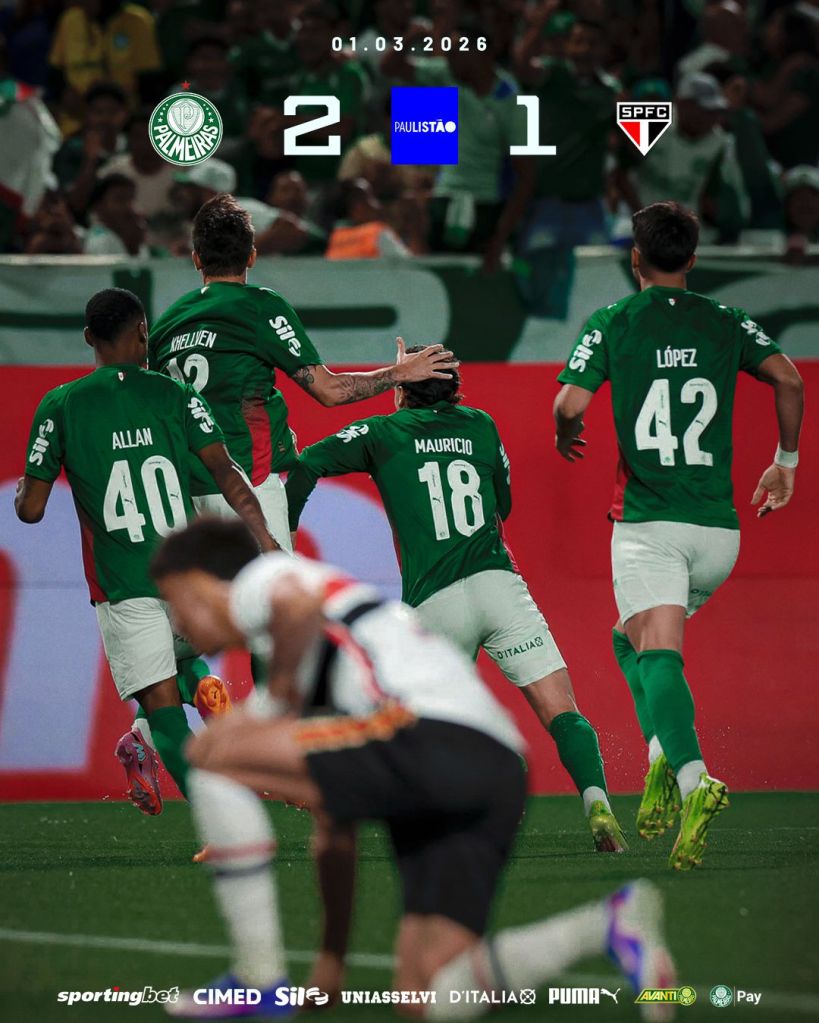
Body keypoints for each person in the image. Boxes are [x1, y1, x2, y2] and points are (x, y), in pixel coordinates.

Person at [150, 518, 676, 1018]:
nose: (176, 623)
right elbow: (334, 830)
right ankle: (606, 926)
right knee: (425, 995)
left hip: (426, 736)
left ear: (203, 581)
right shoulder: (327, 654)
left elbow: (294, 604)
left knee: (211, 752)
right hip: (494, 766)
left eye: (175, 602)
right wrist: (331, 963)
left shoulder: (261, 578)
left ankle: (256, 979)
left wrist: (269, 708)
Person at [285, 346, 626, 852]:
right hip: (498, 586)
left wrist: (286, 533)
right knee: (563, 712)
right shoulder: (481, 425)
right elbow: (503, 504)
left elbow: (306, 464)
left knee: (427, 724)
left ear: (402, 387)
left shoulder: (382, 433)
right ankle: (597, 803)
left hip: (435, 599)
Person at [553, 201, 804, 870]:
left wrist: (564, 432)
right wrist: (785, 462)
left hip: (649, 526)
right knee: (626, 638)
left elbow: (569, 403)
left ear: (634, 258)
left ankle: (693, 778)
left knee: (658, 651)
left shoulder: (613, 320)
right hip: (719, 532)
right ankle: (662, 754)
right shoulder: (725, 319)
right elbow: (788, 378)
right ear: (692, 258)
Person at [14, 288, 278, 817]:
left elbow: (31, 510)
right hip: (184, 574)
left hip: (121, 582)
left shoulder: (60, 405)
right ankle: (200, 690)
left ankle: (223, 821)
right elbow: (226, 470)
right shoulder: (175, 393)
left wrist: (26, 488)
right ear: (143, 332)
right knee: (183, 657)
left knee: (160, 704)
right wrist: (265, 538)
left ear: (88, 338)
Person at [148, 193, 458, 556]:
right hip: (247, 486)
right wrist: (399, 373)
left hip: (183, 496)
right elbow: (330, 390)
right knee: (268, 593)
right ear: (252, 256)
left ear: (196, 258)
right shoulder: (259, 307)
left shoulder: (165, 324)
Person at [325, 177, 411, 260]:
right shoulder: (377, 233)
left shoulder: (336, 237)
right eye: (369, 198)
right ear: (357, 206)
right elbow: (410, 265)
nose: (377, 206)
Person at [84, 172, 148, 256]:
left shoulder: (133, 236)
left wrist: (134, 247)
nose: (129, 206)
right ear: (99, 207)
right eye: (120, 199)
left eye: (131, 198)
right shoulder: (99, 242)